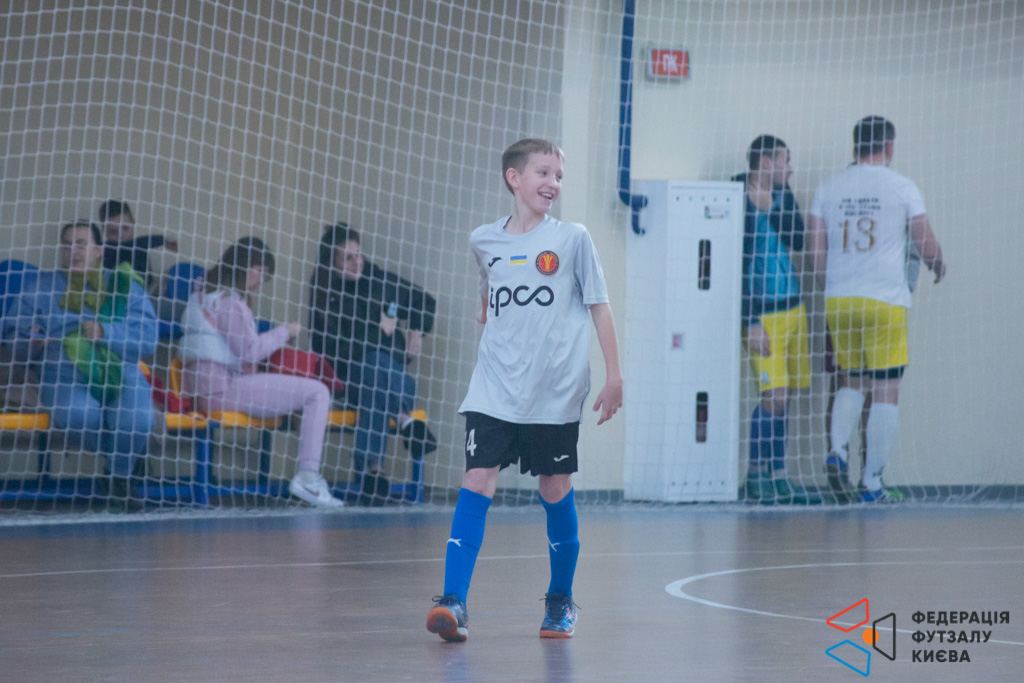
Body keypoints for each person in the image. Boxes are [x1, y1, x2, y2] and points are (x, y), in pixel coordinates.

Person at [426, 138, 623, 642]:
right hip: (494, 389)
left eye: (559, 175)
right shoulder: (483, 240)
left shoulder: (573, 239)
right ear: (514, 178)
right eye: (543, 172)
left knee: (554, 488)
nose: (553, 183)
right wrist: (487, 314)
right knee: (477, 480)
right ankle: (453, 603)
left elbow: (599, 306)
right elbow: (488, 293)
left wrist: (614, 376)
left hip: (554, 393)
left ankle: (560, 601)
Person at [808, 116, 945, 503]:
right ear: (888, 147)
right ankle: (871, 485)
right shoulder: (902, 187)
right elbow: (924, 243)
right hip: (885, 301)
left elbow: (816, 251)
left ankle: (837, 451)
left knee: (850, 380)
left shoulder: (827, 188)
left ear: (855, 146)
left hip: (839, 301)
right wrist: (938, 263)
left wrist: (835, 284)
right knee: (885, 388)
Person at [1, 220, 157, 510]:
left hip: (119, 370)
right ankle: (124, 465)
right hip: (62, 373)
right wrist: (29, 340)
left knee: (139, 419)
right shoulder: (40, 287)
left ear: (99, 250)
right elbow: (13, 335)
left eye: (81, 244)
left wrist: (106, 332)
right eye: (67, 245)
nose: (73, 251)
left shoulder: (123, 285)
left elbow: (148, 337)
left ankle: (117, 474)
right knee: (79, 413)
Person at [178, 237, 344, 508]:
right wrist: (285, 332)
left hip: (210, 389)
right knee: (318, 392)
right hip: (224, 389)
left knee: (305, 396)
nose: (261, 279)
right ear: (242, 265)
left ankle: (309, 477)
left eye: (265, 274)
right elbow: (250, 351)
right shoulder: (229, 302)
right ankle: (308, 478)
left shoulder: (202, 293)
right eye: (258, 270)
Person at [308, 223, 437, 501]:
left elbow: (424, 301)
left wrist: (416, 332)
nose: (358, 262)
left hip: (392, 379)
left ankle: (373, 469)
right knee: (373, 367)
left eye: (359, 255)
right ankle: (405, 420)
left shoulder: (379, 280)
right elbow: (327, 348)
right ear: (332, 262)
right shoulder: (325, 293)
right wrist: (379, 331)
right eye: (348, 258)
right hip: (350, 383)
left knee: (377, 375)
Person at [731, 135, 820, 505]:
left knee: (787, 398)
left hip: (794, 309)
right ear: (766, 162)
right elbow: (733, 261)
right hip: (763, 315)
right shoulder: (736, 195)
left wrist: (771, 207)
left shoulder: (782, 194)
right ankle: (755, 476)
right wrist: (749, 319)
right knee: (774, 395)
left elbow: (798, 239)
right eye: (785, 160)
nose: (791, 169)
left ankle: (780, 476)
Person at [98, 199, 178, 289]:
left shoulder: (141, 248)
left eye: (125, 228)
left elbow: (148, 283)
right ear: (104, 231)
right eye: (113, 232)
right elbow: (129, 246)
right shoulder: (105, 250)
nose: (121, 235)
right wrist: (162, 240)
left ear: (133, 222)